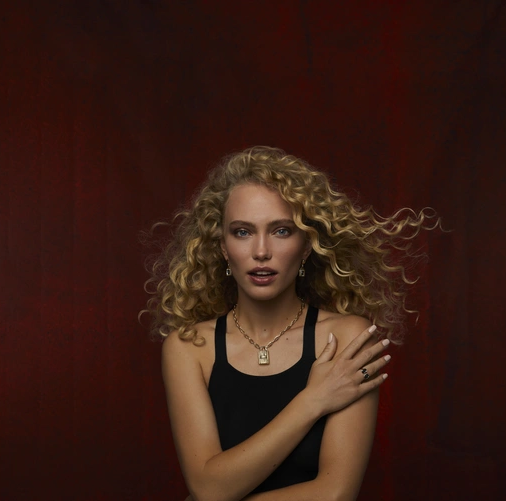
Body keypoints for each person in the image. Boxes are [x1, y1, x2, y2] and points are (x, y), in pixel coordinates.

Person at [142, 146, 436, 501]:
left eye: (281, 231)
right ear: (222, 247)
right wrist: (313, 401)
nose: (261, 251)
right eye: (242, 232)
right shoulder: (189, 347)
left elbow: (335, 494)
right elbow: (207, 487)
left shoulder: (348, 337)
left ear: (306, 245)